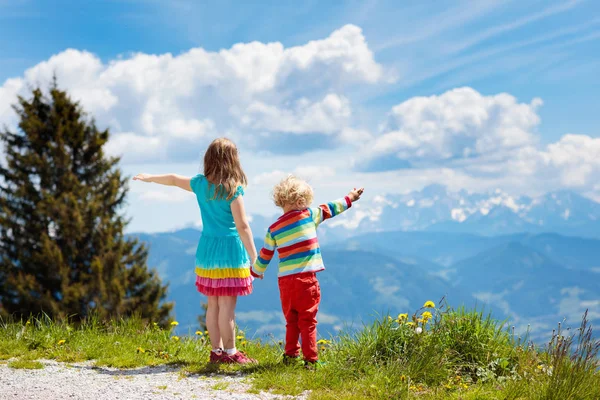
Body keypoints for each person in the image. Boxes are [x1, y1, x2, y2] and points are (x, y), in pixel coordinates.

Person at [133, 138, 257, 364]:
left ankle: (216, 352)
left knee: (213, 304)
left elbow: (172, 179)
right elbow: (242, 226)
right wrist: (254, 256)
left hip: (208, 250)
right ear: (233, 162)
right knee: (227, 307)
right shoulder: (233, 191)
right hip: (229, 251)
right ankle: (231, 353)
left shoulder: (200, 185)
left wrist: (149, 177)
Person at [251, 175, 364, 367]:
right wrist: (350, 197)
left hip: (285, 283)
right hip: (306, 280)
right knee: (308, 320)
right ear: (301, 201)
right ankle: (311, 360)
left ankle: (290, 355)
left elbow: (265, 254)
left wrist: (256, 271)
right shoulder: (309, 215)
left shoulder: (274, 228)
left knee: (291, 320)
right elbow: (331, 208)